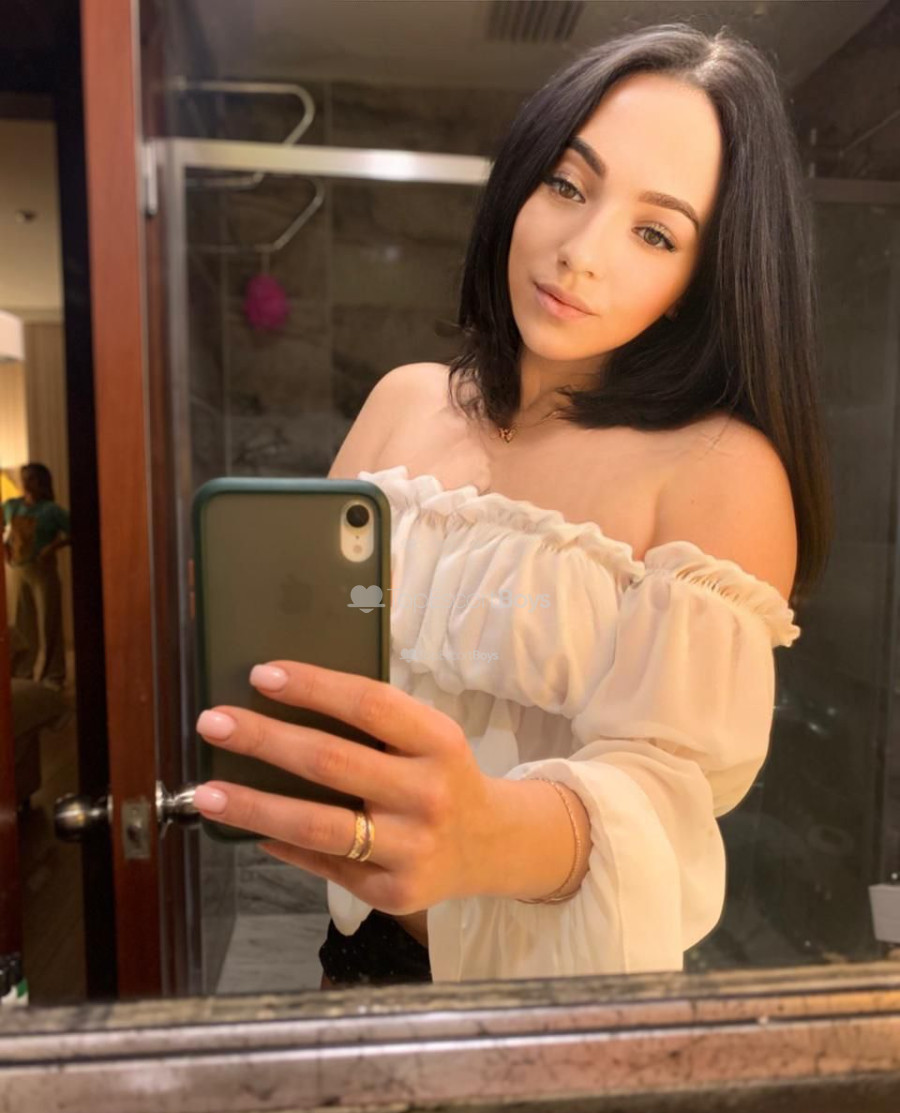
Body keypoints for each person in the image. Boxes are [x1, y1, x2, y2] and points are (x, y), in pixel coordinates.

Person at [190, 22, 833, 986]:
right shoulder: (403, 401)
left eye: (655, 233)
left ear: (699, 280)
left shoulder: (719, 468)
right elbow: (323, 652)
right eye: (567, 185)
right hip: (353, 953)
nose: (580, 252)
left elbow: (672, 800)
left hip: (548, 995)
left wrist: (485, 832)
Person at [2, 463, 72, 690]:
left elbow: (75, 531)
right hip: (18, 570)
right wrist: (5, 548)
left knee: (48, 622)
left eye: (31, 478)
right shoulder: (11, 506)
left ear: (42, 482)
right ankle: (24, 672)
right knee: (23, 624)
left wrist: (53, 547)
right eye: (24, 478)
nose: (26, 483)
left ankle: (54, 675)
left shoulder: (51, 510)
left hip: (43, 571)